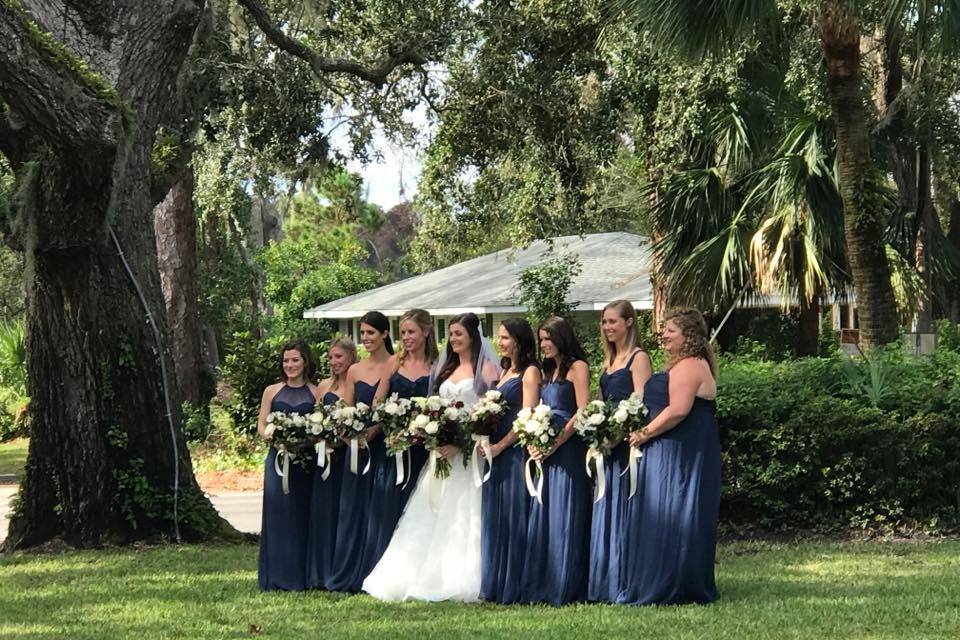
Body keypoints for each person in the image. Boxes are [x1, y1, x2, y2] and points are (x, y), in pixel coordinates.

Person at [362, 312, 501, 602]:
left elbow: (489, 414)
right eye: (451, 334)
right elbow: (434, 406)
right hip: (439, 452)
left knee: (463, 514)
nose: (454, 339)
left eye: (459, 334)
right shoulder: (445, 368)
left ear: (472, 336)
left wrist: (461, 442)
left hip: (466, 455)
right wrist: (432, 434)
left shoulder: (487, 369)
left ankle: (462, 577)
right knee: (430, 510)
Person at [618, 308, 721, 606]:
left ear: (688, 335)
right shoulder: (683, 364)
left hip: (681, 452)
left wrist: (644, 433)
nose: (663, 335)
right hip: (671, 448)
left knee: (675, 510)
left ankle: (674, 582)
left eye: (670, 331)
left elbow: (678, 410)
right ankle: (659, 577)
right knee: (664, 510)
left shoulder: (690, 365)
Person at [519, 316, 592, 605]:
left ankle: (567, 584)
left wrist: (557, 440)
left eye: (548, 338)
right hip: (546, 449)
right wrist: (535, 441)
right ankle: (544, 582)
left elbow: (584, 410)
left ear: (562, 338)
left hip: (569, 448)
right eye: (541, 339)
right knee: (547, 512)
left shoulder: (578, 368)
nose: (544, 344)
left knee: (568, 511)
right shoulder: (546, 372)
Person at [325, 312, 395, 592]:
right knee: (354, 509)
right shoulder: (354, 370)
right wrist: (346, 431)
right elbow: (347, 407)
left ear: (385, 334)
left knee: (380, 507)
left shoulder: (395, 363)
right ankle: (350, 570)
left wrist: (375, 431)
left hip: (385, 446)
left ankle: (378, 569)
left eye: (371, 333)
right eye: (363, 333)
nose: (366, 338)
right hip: (356, 449)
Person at [589, 300, 652, 602]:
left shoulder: (638, 358)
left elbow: (641, 402)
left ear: (629, 322)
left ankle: (626, 580)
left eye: (612, 321)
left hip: (626, 446)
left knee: (624, 510)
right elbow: (600, 401)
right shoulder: (607, 361)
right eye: (604, 322)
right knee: (606, 507)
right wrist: (596, 431)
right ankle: (605, 581)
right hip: (606, 446)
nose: (607, 327)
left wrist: (617, 434)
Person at [365, 309, 438, 568]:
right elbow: (378, 401)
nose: (406, 338)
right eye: (403, 333)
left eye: (411, 332)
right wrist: (389, 419)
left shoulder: (436, 365)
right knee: (390, 504)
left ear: (426, 332)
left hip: (424, 446)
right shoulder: (395, 362)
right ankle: (385, 563)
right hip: (396, 447)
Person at [479, 318, 541, 604]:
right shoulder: (505, 370)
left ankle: (513, 583)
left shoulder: (530, 372)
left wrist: (502, 445)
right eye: (499, 337)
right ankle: (495, 580)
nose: (499, 342)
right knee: (497, 513)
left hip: (513, 450)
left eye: (504, 338)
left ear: (518, 340)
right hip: (494, 450)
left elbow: (528, 415)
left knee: (514, 512)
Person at [257, 340, 320, 591]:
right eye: (286, 361)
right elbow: (261, 424)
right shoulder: (272, 391)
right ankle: (277, 576)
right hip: (278, 461)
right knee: (279, 516)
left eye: (295, 360)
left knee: (303, 516)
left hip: (306, 463)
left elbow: (321, 426)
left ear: (305, 361)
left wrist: (305, 440)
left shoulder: (316, 392)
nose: (290, 365)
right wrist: (274, 437)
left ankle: (302, 576)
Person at [305, 337, 357, 590]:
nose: (334, 362)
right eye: (330, 357)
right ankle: (320, 572)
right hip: (325, 457)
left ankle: (341, 569)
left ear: (351, 358)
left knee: (344, 511)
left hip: (348, 454)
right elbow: (316, 417)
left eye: (339, 357)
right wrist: (320, 434)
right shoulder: (323, 386)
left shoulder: (356, 383)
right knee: (323, 512)